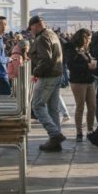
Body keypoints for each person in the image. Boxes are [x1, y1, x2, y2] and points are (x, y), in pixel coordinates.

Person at [28, 15, 65, 152]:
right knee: (53, 108)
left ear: (36, 25)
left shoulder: (42, 37)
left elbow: (45, 59)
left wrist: (36, 72)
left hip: (48, 76)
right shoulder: (52, 34)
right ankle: (55, 142)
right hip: (57, 74)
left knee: (37, 105)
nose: (30, 31)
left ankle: (55, 134)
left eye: (31, 28)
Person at [65, 28, 96, 142]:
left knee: (92, 106)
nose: (90, 41)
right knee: (80, 107)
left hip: (89, 80)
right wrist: (87, 66)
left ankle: (90, 130)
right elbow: (70, 65)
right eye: (88, 39)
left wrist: (92, 63)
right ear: (83, 37)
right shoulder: (71, 48)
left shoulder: (85, 48)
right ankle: (79, 132)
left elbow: (88, 60)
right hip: (78, 81)